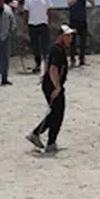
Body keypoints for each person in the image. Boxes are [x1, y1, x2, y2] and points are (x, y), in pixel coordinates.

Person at [27, 24, 76, 155]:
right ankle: (48, 141)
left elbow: (45, 62)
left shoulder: (55, 48)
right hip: (53, 85)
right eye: (67, 36)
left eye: (71, 36)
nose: (70, 38)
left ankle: (40, 136)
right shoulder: (58, 50)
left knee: (55, 112)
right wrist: (57, 87)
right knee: (57, 114)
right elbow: (53, 69)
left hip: (50, 84)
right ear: (60, 36)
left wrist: (43, 75)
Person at [22, 0, 53, 75]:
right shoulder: (28, 0)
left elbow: (50, 11)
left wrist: (49, 22)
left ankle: (47, 63)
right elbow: (26, 13)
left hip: (43, 24)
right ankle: (38, 64)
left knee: (45, 45)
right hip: (32, 25)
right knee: (35, 46)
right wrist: (25, 24)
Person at [66, 0, 95, 66]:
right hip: (73, 20)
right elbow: (70, 3)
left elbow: (93, 3)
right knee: (73, 41)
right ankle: (72, 60)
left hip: (83, 20)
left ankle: (82, 59)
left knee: (83, 41)